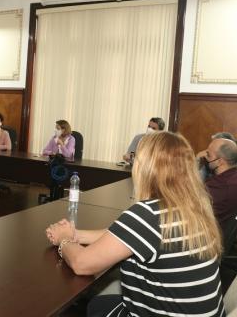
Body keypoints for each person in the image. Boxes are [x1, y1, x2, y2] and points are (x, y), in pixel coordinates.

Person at [46, 132, 225, 317]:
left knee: (93, 306)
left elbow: (82, 264)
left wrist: (64, 239)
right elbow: (126, 237)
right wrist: (76, 234)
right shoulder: (195, 208)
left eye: (136, 158)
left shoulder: (148, 214)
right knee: (100, 303)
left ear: (146, 168)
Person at [198, 138, 237, 231]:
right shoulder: (236, 178)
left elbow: (190, 206)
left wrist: (195, 165)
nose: (204, 156)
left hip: (208, 236)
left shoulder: (220, 187)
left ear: (220, 161)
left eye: (208, 154)